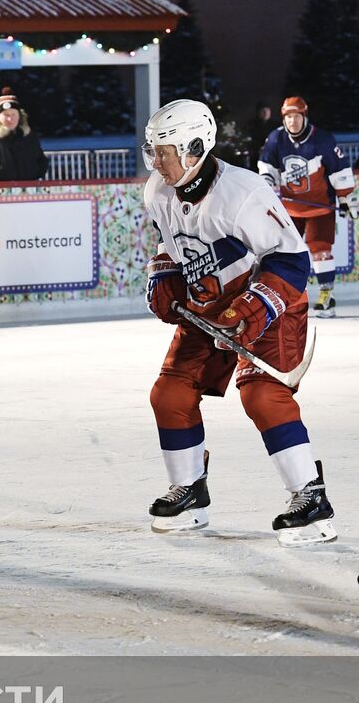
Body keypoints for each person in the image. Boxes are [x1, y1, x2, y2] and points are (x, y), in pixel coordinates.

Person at [141, 99, 334, 546]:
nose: (155, 161)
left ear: (193, 148)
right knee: (169, 392)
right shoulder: (159, 189)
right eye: (153, 150)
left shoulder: (244, 192)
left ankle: (311, 500)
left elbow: (290, 259)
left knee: (263, 396)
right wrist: (165, 277)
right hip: (209, 307)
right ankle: (190, 491)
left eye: (163, 150)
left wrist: (256, 306)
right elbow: (172, 246)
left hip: (269, 305)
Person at [257, 96, 357, 318]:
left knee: (321, 251)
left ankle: (326, 297)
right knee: (283, 252)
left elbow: (339, 171)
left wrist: (346, 199)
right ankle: (284, 297)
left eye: (296, 116)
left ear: (304, 116)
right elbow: (267, 165)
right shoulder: (276, 138)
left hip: (320, 208)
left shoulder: (322, 140)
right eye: (288, 117)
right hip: (289, 209)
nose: (292, 121)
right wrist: (268, 182)